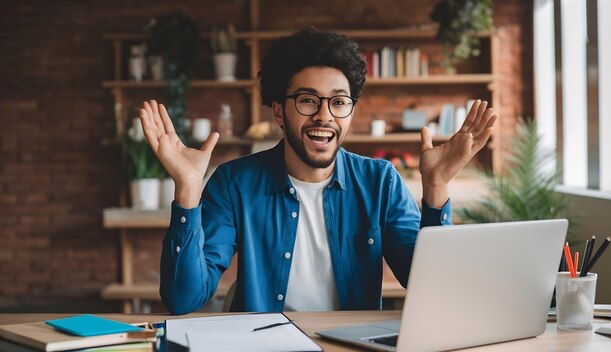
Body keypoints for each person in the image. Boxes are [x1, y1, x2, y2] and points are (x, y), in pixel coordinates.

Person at [139, 27, 497, 314]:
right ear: (279, 111)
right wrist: (187, 188)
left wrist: (436, 186)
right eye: (308, 100)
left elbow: (433, 290)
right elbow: (183, 300)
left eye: (339, 102)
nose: (324, 116)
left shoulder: (380, 182)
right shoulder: (235, 183)